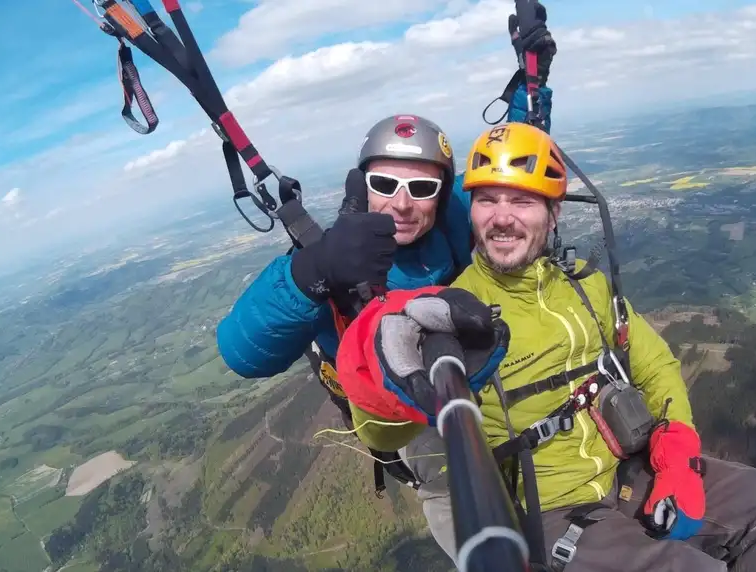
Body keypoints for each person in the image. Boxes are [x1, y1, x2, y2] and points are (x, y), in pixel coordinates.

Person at [334, 122, 756, 571]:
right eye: (488, 200)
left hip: (623, 470)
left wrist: (678, 450)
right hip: (551, 511)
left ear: (554, 213)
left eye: (522, 200)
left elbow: (654, 362)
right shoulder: (454, 313)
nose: (502, 217)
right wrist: (387, 387)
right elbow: (380, 434)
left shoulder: (585, 287)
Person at [214, 0, 559, 533]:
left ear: (441, 194)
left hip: (473, 371)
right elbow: (241, 350)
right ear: (362, 186)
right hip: (402, 413)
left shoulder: (449, 223)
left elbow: (507, 184)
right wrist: (312, 271)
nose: (401, 203)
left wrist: (531, 81)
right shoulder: (328, 262)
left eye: (421, 187)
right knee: (456, 490)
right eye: (384, 185)